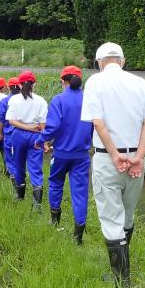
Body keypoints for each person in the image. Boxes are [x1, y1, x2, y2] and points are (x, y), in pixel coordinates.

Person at [81, 42, 145, 288]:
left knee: (110, 216)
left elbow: (98, 123)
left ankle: (121, 279)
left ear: (99, 63)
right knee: (127, 214)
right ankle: (124, 273)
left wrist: (116, 155)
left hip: (109, 159)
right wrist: (139, 156)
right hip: (137, 160)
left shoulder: (95, 82)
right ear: (122, 61)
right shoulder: (141, 83)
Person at [42, 66, 93, 244]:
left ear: (63, 81)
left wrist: (42, 139)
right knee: (80, 193)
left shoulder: (58, 100)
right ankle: (78, 236)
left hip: (62, 153)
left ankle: (55, 221)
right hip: (82, 155)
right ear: (80, 81)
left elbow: (53, 127)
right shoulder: (89, 99)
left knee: (55, 184)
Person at [6, 71, 48, 210]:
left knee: (18, 165)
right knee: (36, 167)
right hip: (36, 135)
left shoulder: (14, 100)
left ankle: (20, 196)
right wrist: (45, 141)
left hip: (18, 135)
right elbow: (43, 124)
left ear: (19, 84)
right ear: (34, 84)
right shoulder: (41, 100)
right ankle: (37, 204)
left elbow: (11, 121)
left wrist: (25, 127)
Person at [0, 77, 21, 184]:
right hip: (24, 133)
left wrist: (0, 132)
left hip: (10, 134)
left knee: (10, 159)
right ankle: (21, 179)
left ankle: (15, 184)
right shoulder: (25, 99)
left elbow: (1, 119)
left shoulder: (4, 101)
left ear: (8, 87)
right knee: (21, 158)